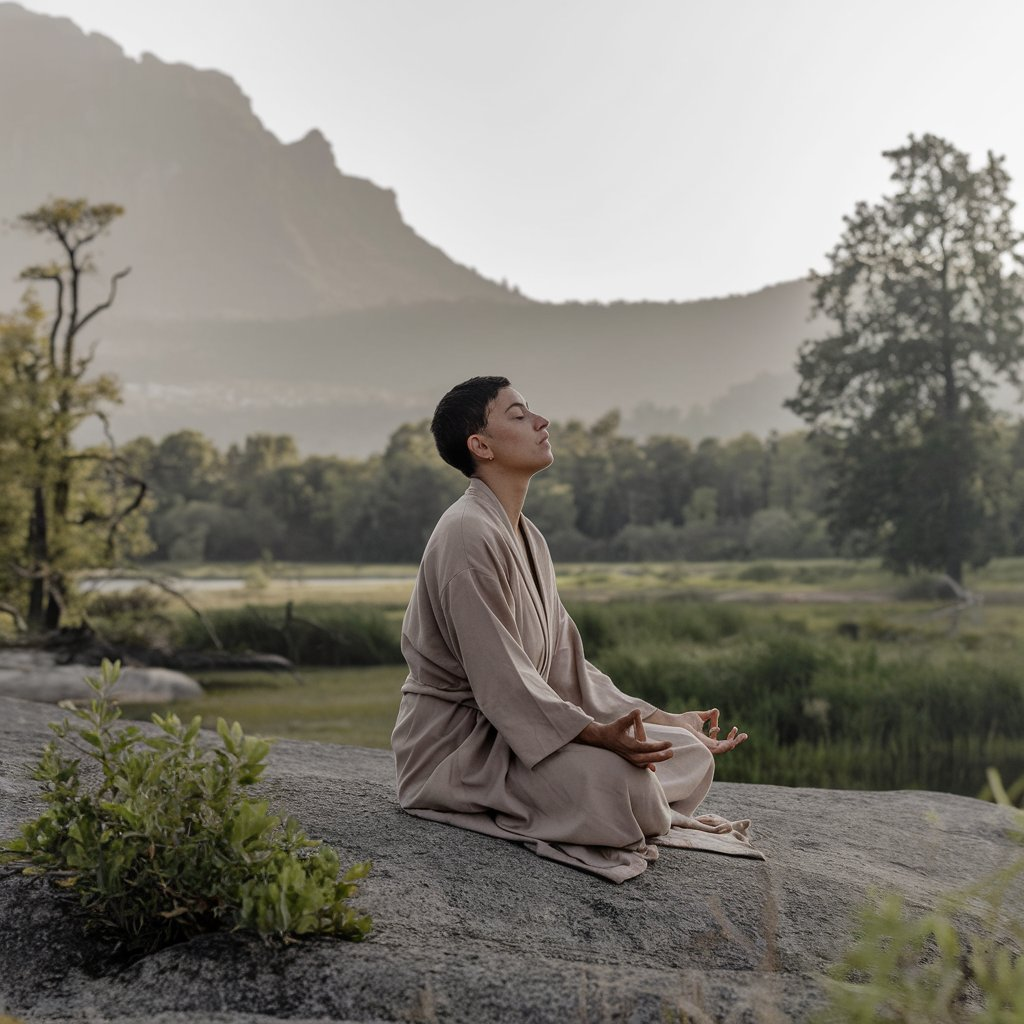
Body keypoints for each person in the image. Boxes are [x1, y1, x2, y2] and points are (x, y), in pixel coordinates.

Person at [392, 376, 762, 881]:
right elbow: (502, 682)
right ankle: (626, 800)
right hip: (459, 749)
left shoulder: (528, 536)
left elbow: (567, 665)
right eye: (519, 416)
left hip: (523, 732)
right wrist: (594, 737)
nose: (541, 423)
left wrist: (667, 720)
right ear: (481, 445)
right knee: (620, 782)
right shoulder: (466, 535)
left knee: (689, 753)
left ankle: (628, 796)